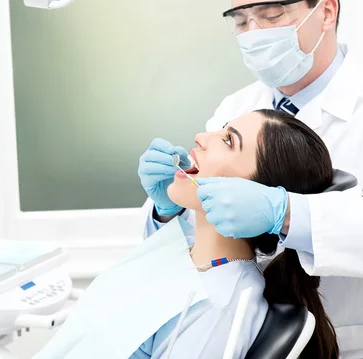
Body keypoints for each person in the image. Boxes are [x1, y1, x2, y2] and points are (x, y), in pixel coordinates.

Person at [137, 0, 363, 357]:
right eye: (241, 21)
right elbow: (208, 228)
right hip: (247, 338)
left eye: (272, 15)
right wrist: (166, 211)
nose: (253, 34)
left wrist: (288, 213)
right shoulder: (238, 107)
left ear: (326, 12)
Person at [132, 110, 339, 358]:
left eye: (229, 141)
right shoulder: (193, 259)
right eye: (222, 129)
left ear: (255, 191)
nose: (201, 137)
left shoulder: (221, 303)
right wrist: (165, 211)